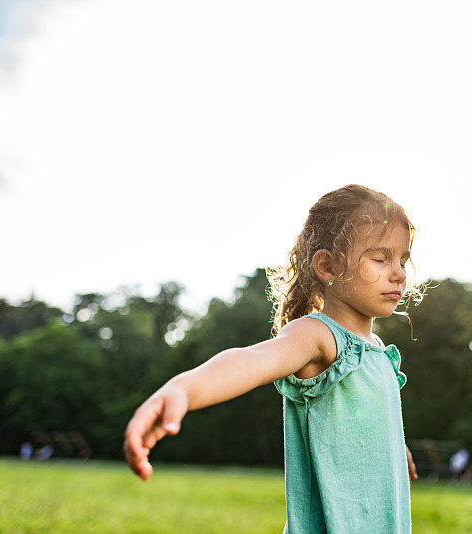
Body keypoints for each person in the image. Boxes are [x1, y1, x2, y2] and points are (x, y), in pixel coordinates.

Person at [123, 184, 425, 533]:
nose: (400, 272)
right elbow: (254, 360)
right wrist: (183, 390)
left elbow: (360, 422)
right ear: (327, 266)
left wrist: (392, 448)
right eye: (380, 258)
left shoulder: (377, 352)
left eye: (403, 259)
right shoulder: (317, 336)